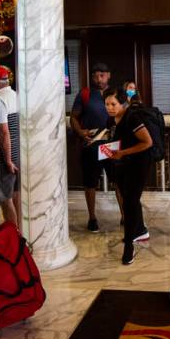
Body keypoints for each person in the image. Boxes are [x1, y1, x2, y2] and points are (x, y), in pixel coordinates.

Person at [102, 87, 154, 265]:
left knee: (131, 203)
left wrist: (123, 152)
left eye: (113, 104)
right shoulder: (113, 119)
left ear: (123, 103)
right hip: (123, 163)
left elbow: (147, 142)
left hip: (138, 164)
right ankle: (134, 233)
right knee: (127, 201)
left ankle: (129, 248)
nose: (109, 107)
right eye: (107, 104)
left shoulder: (132, 117)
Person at [69, 62, 113, 232]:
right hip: (91, 146)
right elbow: (73, 117)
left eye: (102, 74)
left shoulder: (115, 94)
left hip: (112, 145)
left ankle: (125, 216)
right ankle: (92, 218)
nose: (98, 78)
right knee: (90, 183)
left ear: (108, 75)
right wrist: (80, 132)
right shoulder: (85, 94)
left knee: (119, 182)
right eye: (95, 75)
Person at [0, 65, 21, 230]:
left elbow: (4, 132)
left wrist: (8, 160)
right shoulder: (16, 95)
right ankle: (19, 231)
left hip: (8, 156)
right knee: (16, 194)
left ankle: (13, 236)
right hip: (20, 152)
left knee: (6, 198)